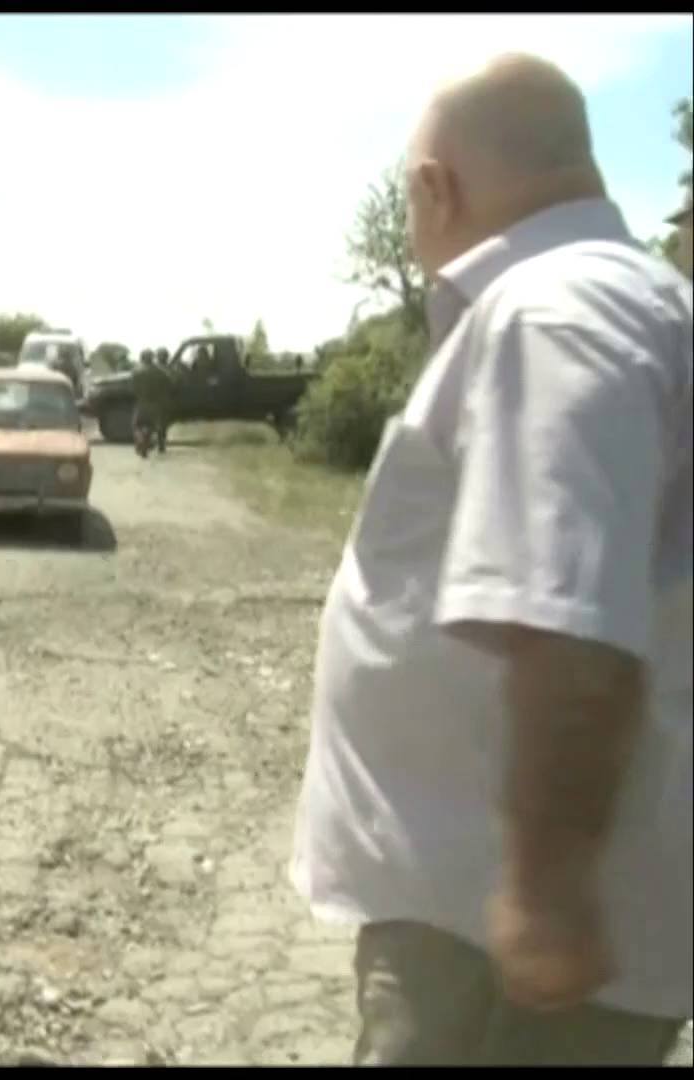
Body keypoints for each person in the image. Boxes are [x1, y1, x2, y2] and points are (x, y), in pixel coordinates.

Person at [288, 54, 692, 1065]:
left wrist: (546, 887)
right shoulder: (626, 300)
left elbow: (568, 603)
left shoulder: (554, 309)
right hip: (514, 911)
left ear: (435, 188)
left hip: (497, 937)